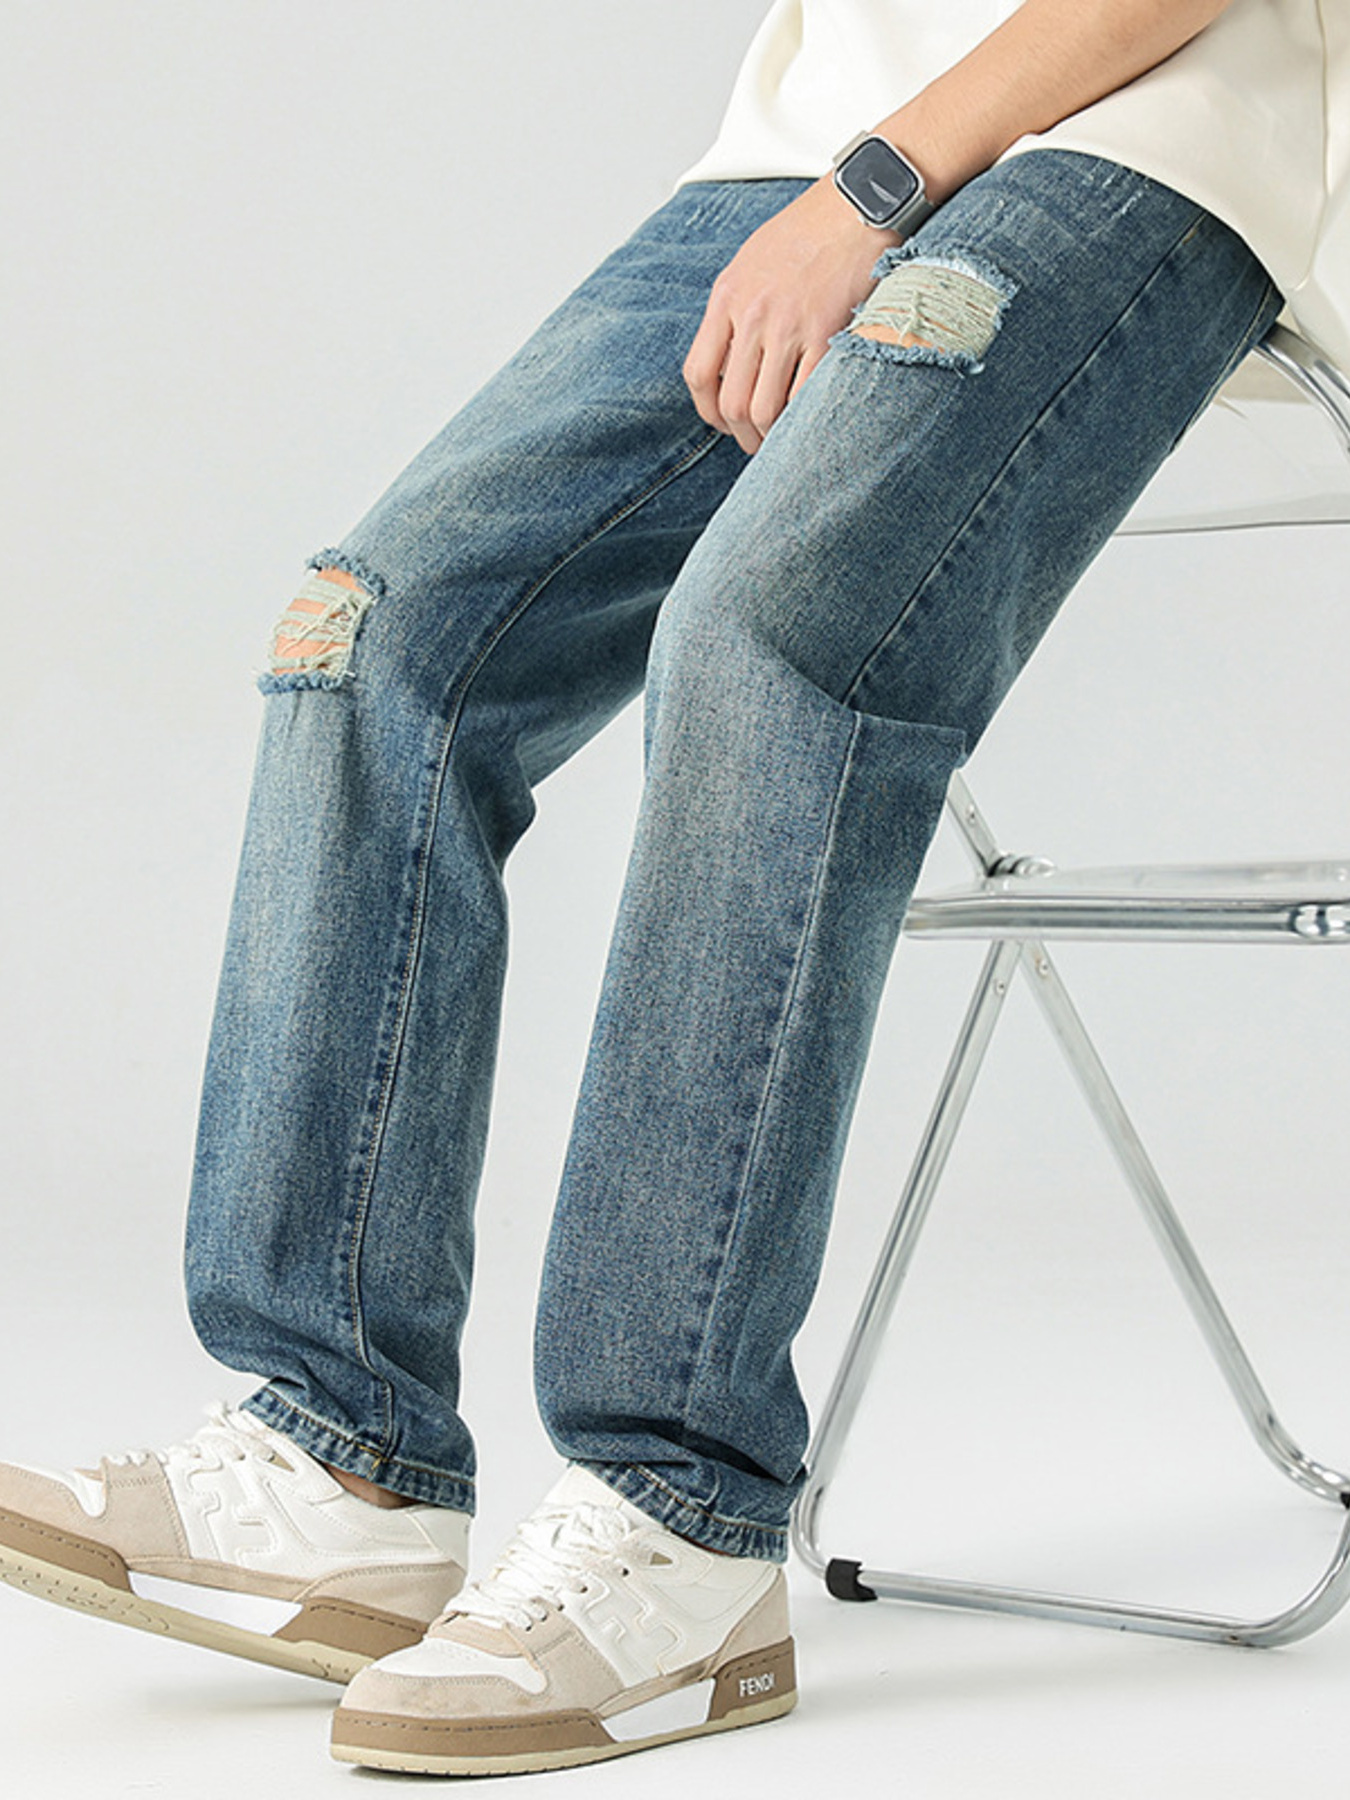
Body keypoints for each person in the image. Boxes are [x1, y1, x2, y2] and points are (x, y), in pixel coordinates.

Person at [0, 0, 1342, 1779]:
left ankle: (678, 1515)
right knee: (372, 640)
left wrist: (876, 189)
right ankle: (339, 1457)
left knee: (763, 642)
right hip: (811, 135)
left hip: (1146, 128)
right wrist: (844, 171)